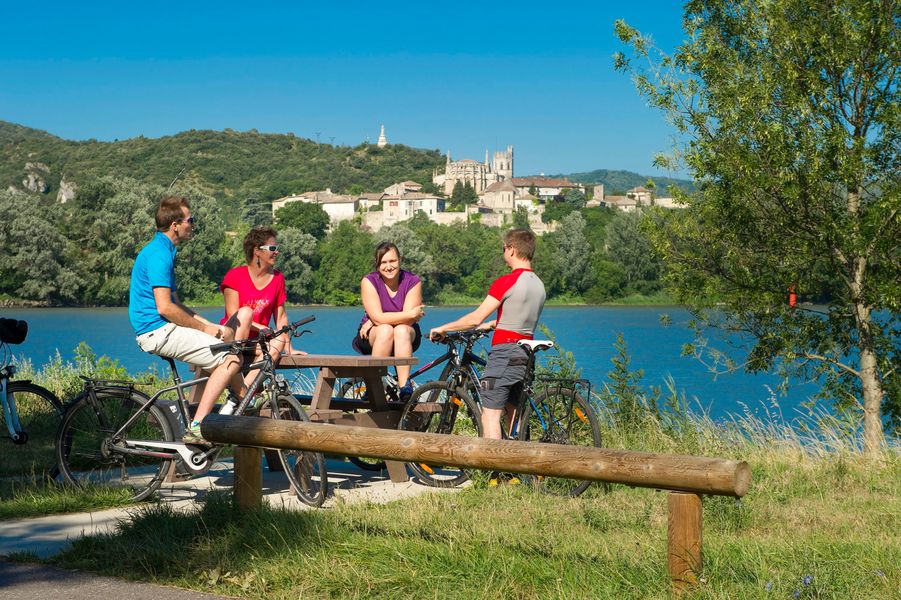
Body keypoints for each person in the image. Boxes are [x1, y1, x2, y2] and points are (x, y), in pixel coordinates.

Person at [129, 196, 244, 445]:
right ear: (175, 224)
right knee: (232, 358)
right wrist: (205, 328)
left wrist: (212, 328)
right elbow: (166, 307)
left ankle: (241, 398)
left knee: (226, 346)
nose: (193, 224)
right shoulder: (160, 254)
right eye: (190, 220)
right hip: (157, 331)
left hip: (160, 328)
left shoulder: (164, 250)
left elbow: (178, 305)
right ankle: (198, 427)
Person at [429, 228, 545, 448]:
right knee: (514, 413)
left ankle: (496, 472)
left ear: (511, 249)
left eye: (504, 248)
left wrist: (443, 328)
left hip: (505, 353)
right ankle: (515, 469)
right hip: (526, 353)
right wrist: (494, 324)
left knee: (490, 415)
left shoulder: (506, 282)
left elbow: (474, 318)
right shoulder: (538, 285)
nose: (504, 252)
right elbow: (519, 317)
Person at [220, 226, 303, 388]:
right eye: (272, 248)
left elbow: (281, 317)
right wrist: (262, 328)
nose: (276, 252)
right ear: (257, 251)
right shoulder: (235, 276)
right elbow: (233, 315)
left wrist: (289, 347)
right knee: (244, 314)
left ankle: (245, 390)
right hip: (232, 337)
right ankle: (239, 385)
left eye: (277, 248)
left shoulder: (278, 278)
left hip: (256, 342)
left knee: (278, 341)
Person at [353, 241, 424, 399]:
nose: (388, 266)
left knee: (401, 329)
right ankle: (374, 385)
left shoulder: (413, 281)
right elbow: (407, 315)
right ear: (377, 266)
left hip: (406, 333)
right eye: (383, 262)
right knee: (385, 329)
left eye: (392, 261)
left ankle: (405, 386)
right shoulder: (369, 281)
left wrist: (378, 318)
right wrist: (375, 320)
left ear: (400, 260)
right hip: (373, 335)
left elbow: (408, 320)